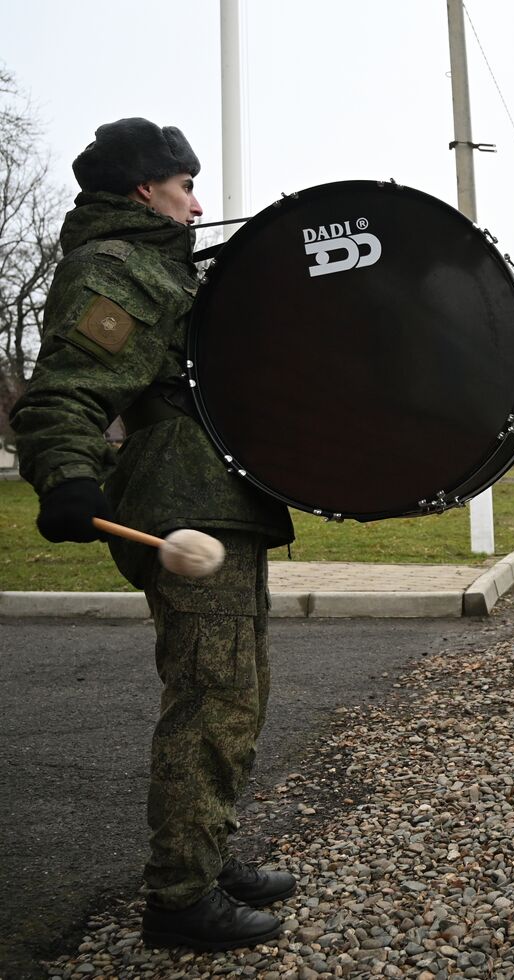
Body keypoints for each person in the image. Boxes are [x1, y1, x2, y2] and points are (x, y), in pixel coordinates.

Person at [11, 118, 296, 949]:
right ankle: (181, 898)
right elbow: (66, 389)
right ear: (145, 189)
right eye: (185, 187)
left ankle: (207, 852)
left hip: (217, 501)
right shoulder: (119, 268)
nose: (198, 203)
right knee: (211, 703)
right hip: (183, 504)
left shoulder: (161, 266)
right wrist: (66, 474)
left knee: (238, 697)